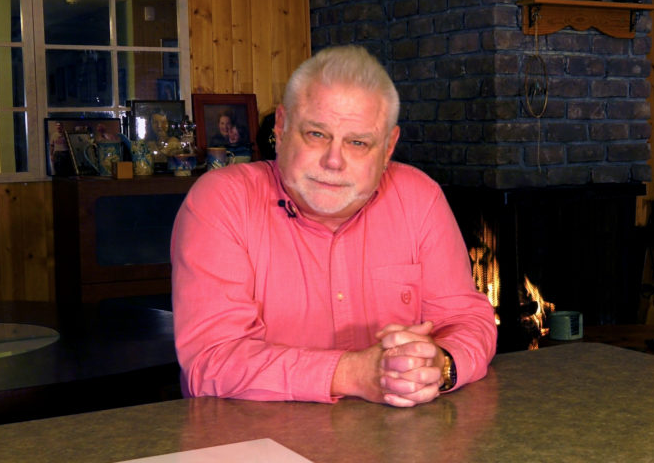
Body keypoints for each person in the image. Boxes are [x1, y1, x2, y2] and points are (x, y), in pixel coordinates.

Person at [171, 45, 497, 407]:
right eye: (316, 134)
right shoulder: (222, 201)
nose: (334, 160)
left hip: (396, 441)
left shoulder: (420, 198)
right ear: (280, 128)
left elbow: (467, 320)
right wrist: (354, 373)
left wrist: (440, 364)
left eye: (358, 142)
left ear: (388, 148)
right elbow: (210, 360)